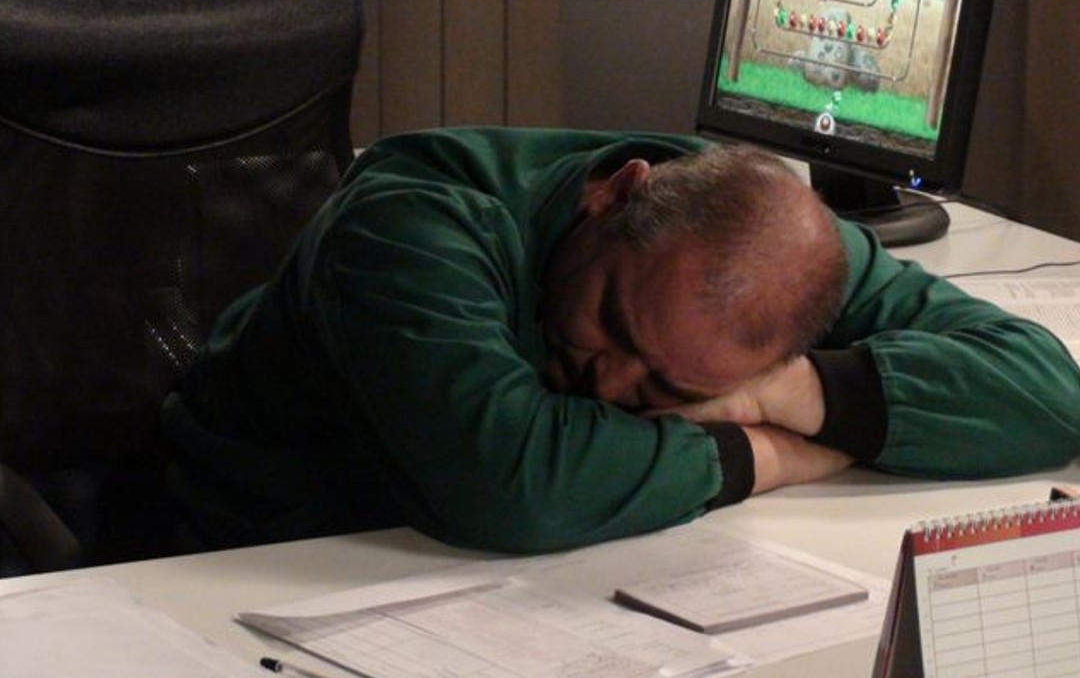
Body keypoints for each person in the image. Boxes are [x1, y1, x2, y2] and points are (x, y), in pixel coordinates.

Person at [161, 127, 1080, 553]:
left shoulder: (783, 253)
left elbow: (1048, 392)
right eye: (609, 321)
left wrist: (794, 394)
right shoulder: (417, 220)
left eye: (671, 388)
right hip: (237, 561)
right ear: (614, 193)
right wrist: (769, 453)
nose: (608, 387)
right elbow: (514, 484)